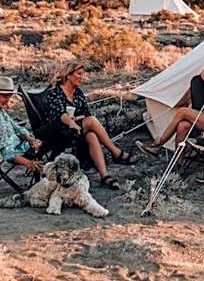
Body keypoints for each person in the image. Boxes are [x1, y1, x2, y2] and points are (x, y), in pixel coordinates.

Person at [43, 60, 136, 190]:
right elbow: (60, 114)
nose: (82, 77)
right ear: (69, 75)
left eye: (82, 74)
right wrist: (71, 122)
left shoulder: (78, 93)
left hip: (77, 128)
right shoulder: (55, 92)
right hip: (58, 131)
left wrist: (77, 119)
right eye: (79, 74)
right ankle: (116, 153)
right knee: (91, 121)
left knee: (92, 135)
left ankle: (105, 176)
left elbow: (86, 113)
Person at [135, 57, 204, 156]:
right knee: (183, 125)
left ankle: (158, 145)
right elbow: (203, 75)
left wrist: (198, 114)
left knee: (183, 112)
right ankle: (178, 163)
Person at [0, 75, 44, 175]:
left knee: (54, 130)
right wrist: (29, 163)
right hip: (22, 151)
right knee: (57, 131)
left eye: (9, 96)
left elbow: (16, 128)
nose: (7, 100)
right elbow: (7, 153)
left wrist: (30, 139)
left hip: (26, 143)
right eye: (4, 96)